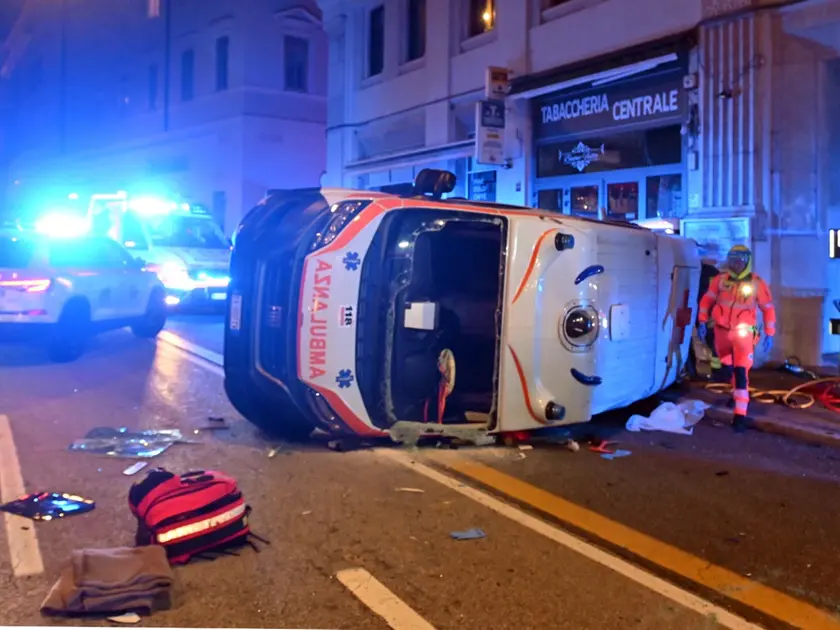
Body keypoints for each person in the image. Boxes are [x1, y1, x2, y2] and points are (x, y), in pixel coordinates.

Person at [696, 245, 776, 432]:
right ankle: (736, 395)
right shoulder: (720, 280)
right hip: (721, 332)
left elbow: (768, 308)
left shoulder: (756, 282)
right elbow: (707, 300)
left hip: (743, 334)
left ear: (747, 261)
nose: (736, 262)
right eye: (733, 258)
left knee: (741, 373)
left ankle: (740, 415)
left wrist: (769, 333)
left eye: (740, 259)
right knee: (727, 367)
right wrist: (701, 321)